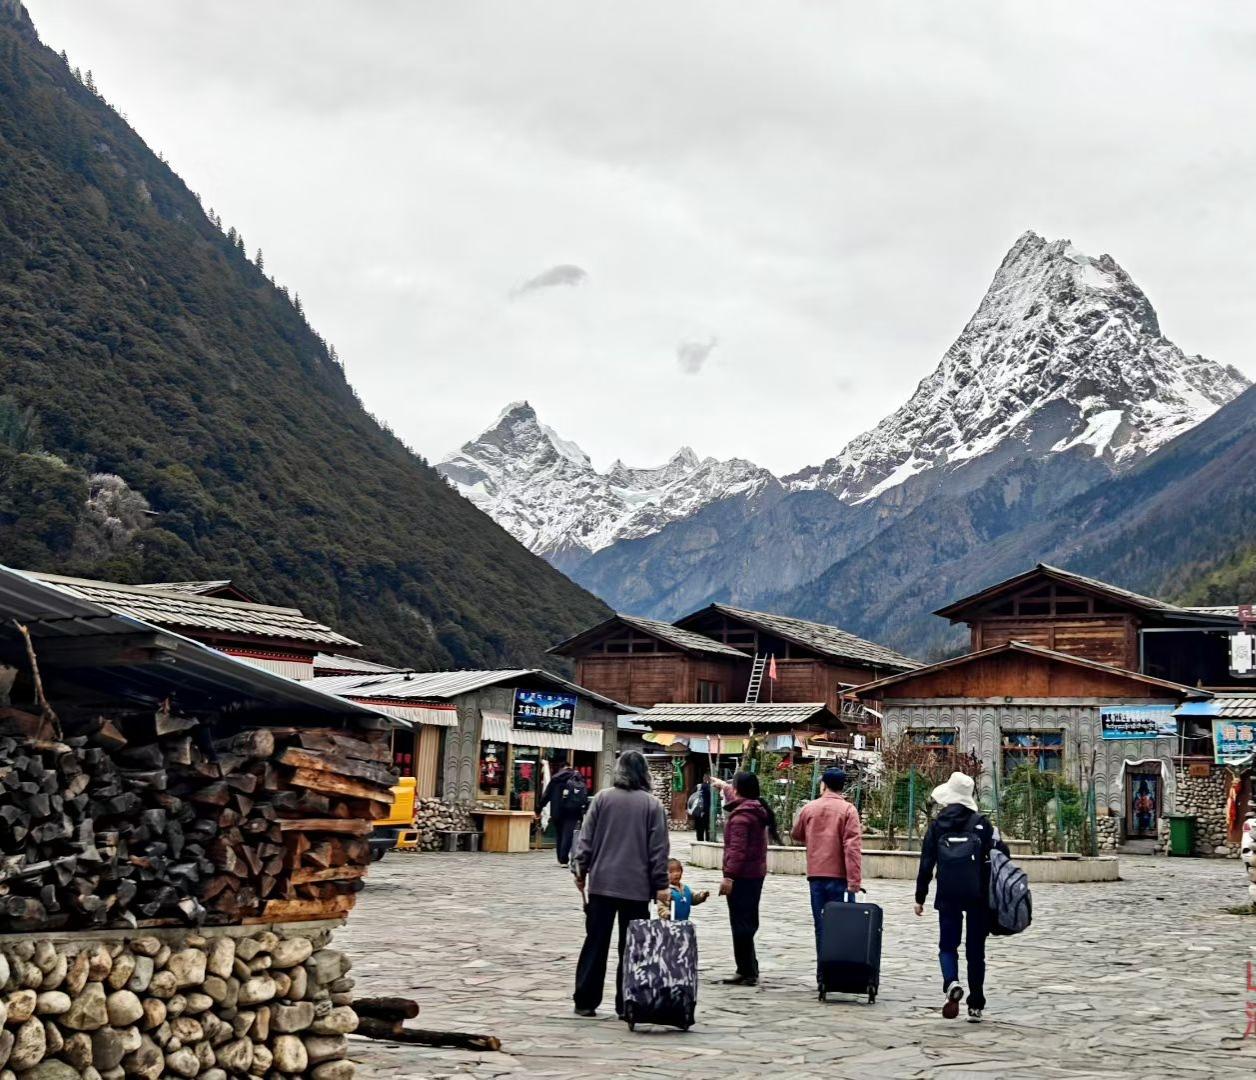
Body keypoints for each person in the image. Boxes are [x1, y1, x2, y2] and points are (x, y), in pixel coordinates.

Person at [571, 751, 671, 1017]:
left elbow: (585, 839)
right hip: (636, 890)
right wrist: (661, 884)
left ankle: (585, 1001)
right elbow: (658, 850)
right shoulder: (652, 806)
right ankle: (627, 1003)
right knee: (632, 948)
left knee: (595, 942)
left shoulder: (602, 799)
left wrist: (580, 869)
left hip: (602, 884)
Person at [914, 771, 1009, 1023]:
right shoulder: (983, 824)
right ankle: (976, 1003)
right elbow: (1002, 854)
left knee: (948, 945)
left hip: (948, 894)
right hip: (977, 895)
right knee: (976, 951)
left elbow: (926, 863)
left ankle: (951, 983)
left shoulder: (937, 825)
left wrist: (920, 896)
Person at [791, 767, 864, 985]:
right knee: (842, 925)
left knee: (821, 926)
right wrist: (855, 881)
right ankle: (841, 972)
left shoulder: (810, 808)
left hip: (816, 876)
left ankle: (823, 973)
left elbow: (796, 834)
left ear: (823, 784)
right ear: (843, 787)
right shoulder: (848, 810)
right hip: (840, 878)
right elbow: (852, 848)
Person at [713, 771, 781, 986]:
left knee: (741, 923)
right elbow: (735, 799)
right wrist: (723, 786)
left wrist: (729, 877)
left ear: (740, 789)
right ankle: (750, 967)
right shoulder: (755, 809)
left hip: (741, 876)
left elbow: (737, 850)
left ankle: (746, 970)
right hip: (755, 874)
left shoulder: (742, 817)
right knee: (748, 920)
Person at [536, 759, 588, 867]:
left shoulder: (555, 779)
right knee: (568, 834)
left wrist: (538, 809)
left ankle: (561, 858)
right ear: (569, 767)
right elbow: (583, 794)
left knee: (560, 834)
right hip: (573, 810)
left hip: (557, 810)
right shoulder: (577, 777)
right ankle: (564, 859)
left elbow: (546, 796)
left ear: (561, 768)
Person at [687, 777, 712, 842]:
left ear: (703, 779)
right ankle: (708, 840)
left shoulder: (697, 786)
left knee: (699, 827)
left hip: (698, 810)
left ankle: (700, 840)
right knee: (708, 827)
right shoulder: (711, 787)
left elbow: (691, 797)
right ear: (709, 780)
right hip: (708, 811)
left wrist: (688, 808)